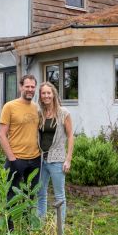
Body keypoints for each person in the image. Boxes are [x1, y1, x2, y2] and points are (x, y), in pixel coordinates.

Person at [0, 74, 41, 230]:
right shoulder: (9, 106)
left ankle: (27, 226)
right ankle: (11, 229)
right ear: (21, 87)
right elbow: (1, 134)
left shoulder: (37, 108)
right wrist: (12, 158)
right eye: (27, 86)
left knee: (30, 194)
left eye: (32, 87)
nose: (30, 89)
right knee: (12, 195)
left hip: (35, 159)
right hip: (16, 159)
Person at [36, 81, 74, 226]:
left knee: (59, 196)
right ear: (40, 96)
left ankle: (60, 229)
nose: (46, 96)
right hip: (41, 160)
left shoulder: (63, 113)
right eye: (43, 93)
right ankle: (40, 225)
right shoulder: (40, 113)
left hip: (57, 161)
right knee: (41, 194)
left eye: (48, 93)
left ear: (53, 94)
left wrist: (68, 159)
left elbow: (70, 136)